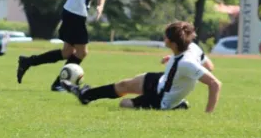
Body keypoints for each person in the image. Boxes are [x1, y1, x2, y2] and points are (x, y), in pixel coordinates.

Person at [61, 21, 222, 113]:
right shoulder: (191, 48)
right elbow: (210, 66)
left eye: (166, 37)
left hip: (162, 99)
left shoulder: (186, 63)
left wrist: (208, 115)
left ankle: (176, 106)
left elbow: (215, 84)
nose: (163, 38)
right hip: (163, 81)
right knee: (125, 85)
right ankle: (86, 95)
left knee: (124, 104)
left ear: (172, 43)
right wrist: (173, 60)